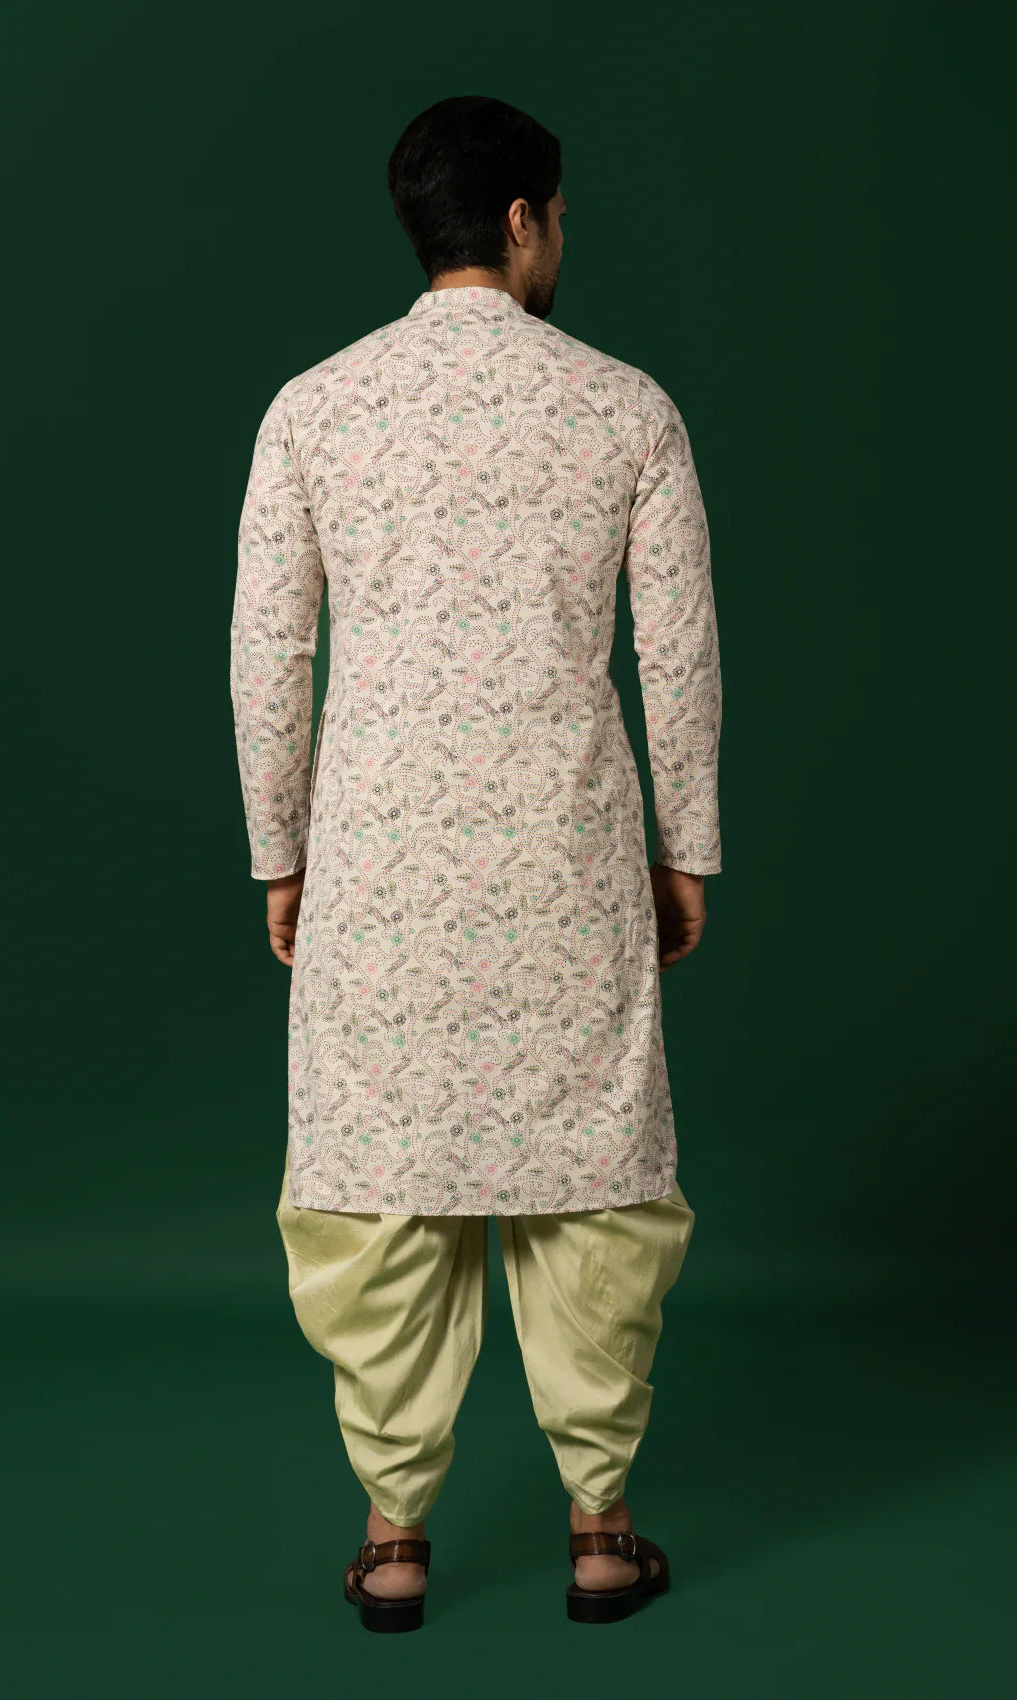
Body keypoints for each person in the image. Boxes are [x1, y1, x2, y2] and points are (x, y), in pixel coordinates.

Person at [229, 93, 723, 1631]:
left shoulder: (316, 408)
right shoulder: (624, 408)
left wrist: (279, 851)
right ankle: (600, 1532)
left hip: (376, 857)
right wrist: (685, 845)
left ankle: (393, 1540)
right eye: (556, 214)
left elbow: (266, 656)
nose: (561, 236)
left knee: (380, 1182)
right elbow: (679, 654)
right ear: (518, 221)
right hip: (566, 848)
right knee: (592, 1184)